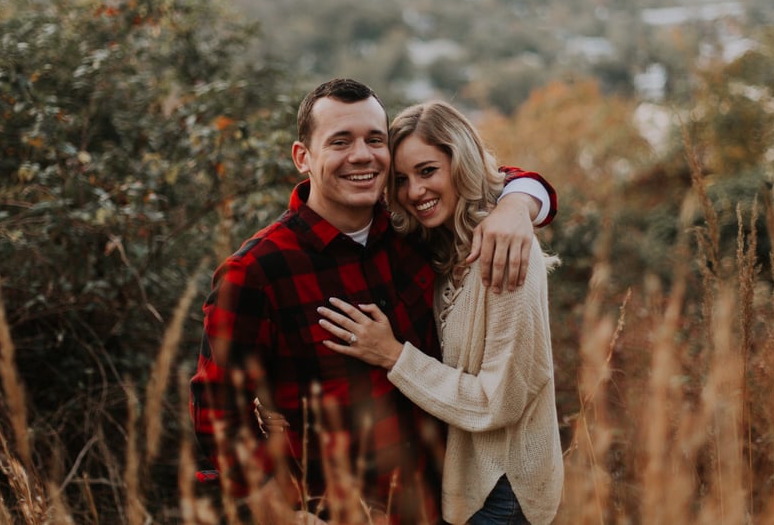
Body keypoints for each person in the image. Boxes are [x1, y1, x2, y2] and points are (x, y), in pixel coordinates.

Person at [189, 79, 556, 524]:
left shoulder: (411, 234)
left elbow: (479, 180)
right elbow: (218, 411)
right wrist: (274, 508)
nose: (362, 155)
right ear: (303, 157)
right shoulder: (258, 272)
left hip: (438, 504)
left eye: (374, 140)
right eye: (340, 141)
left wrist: (518, 204)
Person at [317, 101, 563, 525]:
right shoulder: (436, 244)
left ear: (461, 164)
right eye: (401, 180)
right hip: (453, 479)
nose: (414, 192)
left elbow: (497, 402)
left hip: (501, 490)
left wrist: (392, 355)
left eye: (428, 171)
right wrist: (521, 199)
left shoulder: (506, 256)